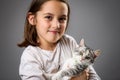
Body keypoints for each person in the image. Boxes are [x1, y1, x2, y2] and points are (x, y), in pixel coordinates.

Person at [18, 0, 101, 80]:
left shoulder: (69, 42)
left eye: (62, 19)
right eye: (48, 17)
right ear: (32, 19)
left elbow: (93, 76)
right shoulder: (30, 56)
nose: (56, 25)